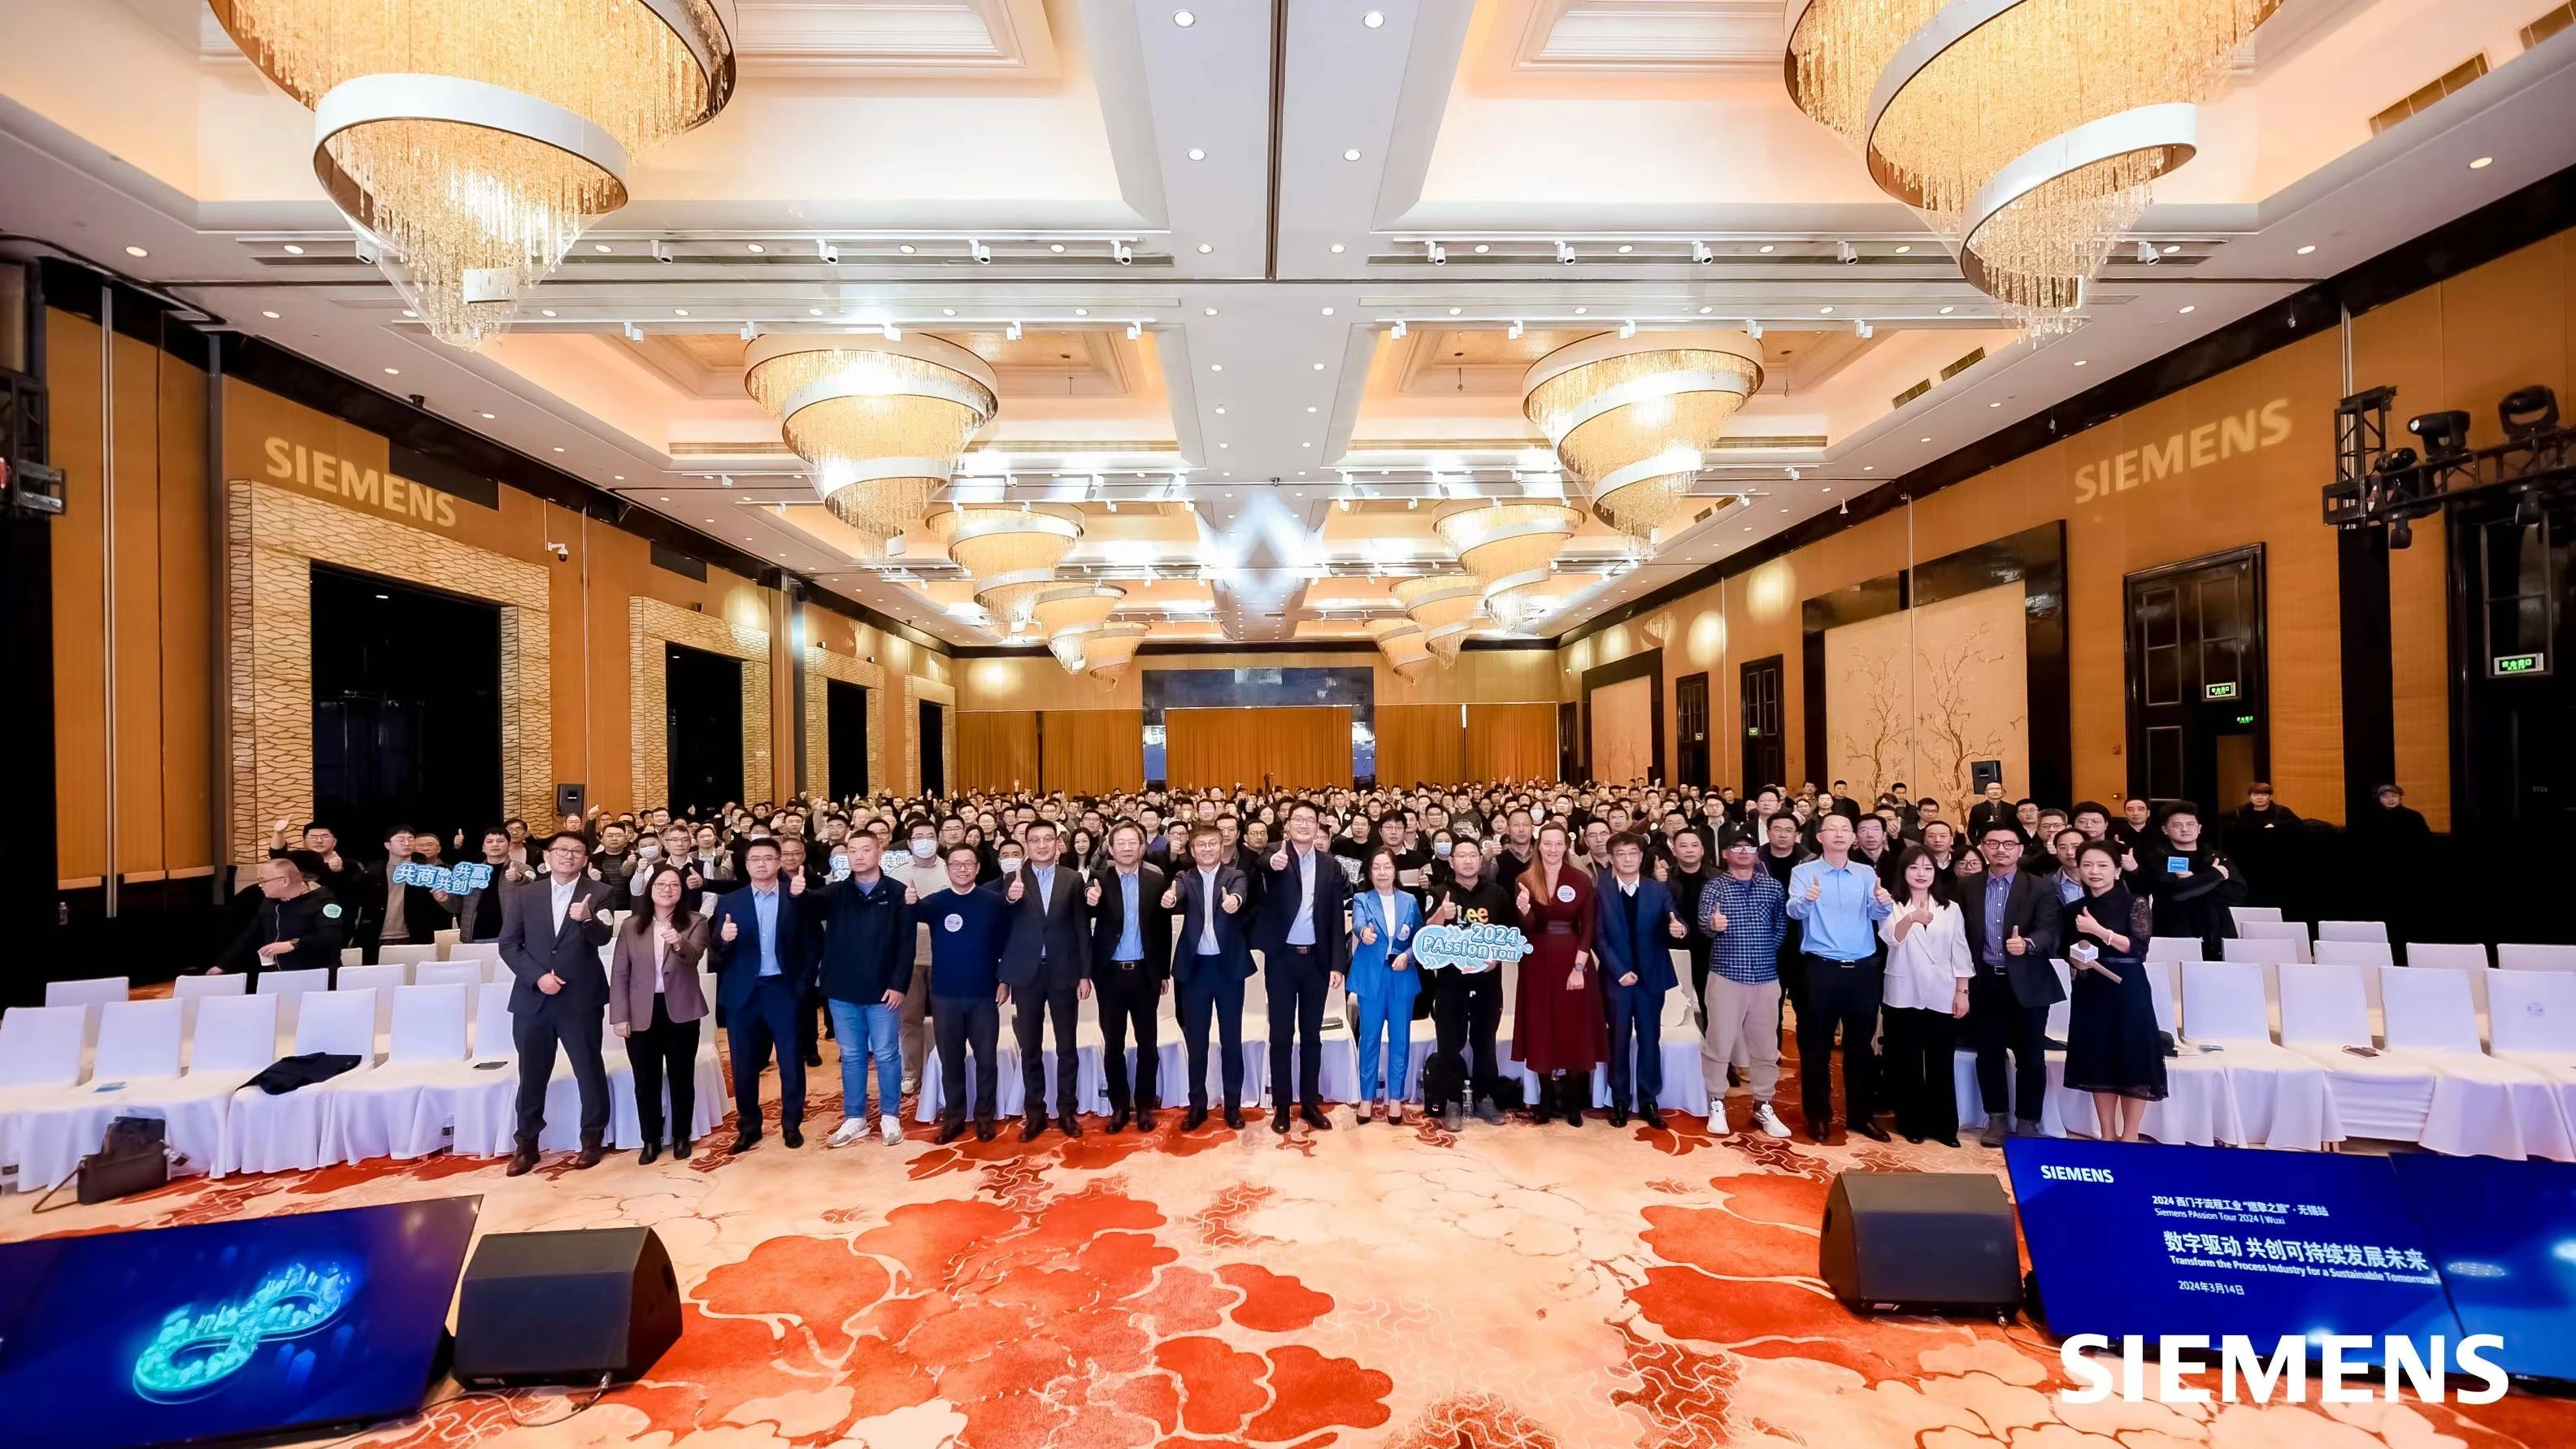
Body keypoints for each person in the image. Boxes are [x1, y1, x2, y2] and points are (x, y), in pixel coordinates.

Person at [497, 832, 617, 1174]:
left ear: (585, 859)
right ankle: (527, 1145)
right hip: (533, 998)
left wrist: (588, 919)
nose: (568, 855)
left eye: (577, 851)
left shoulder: (600, 893)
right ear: (548, 857)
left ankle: (591, 1139)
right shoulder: (525, 895)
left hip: (580, 998)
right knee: (531, 1073)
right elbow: (508, 944)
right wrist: (537, 977)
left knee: (588, 1069)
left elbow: (603, 937)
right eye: (562, 850)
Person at [1783, 813, 1894, 1143]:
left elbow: (1875, 914)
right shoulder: (1804, 872)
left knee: (1861, 1048)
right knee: (1815, 1046)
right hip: (1821, 969)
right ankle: (1818, 1116)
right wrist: (1807, 900)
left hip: (1862, 969)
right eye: (1832, 829)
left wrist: (1884, 904)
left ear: (1853, 837)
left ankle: (1861, 1116)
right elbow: (1793, 911)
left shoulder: (1865, 873)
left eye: (1846, 829)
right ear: (1820, 837)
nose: (1840, 834)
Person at [709, 839, 821, 1152]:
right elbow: (716, 949)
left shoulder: (795, 897)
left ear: (779, 862)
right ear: (746, 865)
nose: (761, 864)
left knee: (791, 1062)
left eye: (768, 858)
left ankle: (791, 1124)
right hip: (743, 994)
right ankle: (749, 1127)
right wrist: (724, 939)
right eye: (755, 859)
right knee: (744, 1065)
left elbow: (814, 944)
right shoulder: (730, 901)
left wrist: (802, 986)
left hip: (783, 990)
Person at [1956, 822, 2065, 1147]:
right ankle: (1997, 1118)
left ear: (2020, 849)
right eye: (1993, 843)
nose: (2000, 850)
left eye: (2008, 844)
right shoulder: (1967, 886)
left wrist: (2028, 943)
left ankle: (2029, 1121)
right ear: (1983, 848)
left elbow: (2051, 930)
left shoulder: (2040, 886)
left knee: (2031, 1056)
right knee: (1988, 1053)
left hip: (2028, 982)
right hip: (1986, 981)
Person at [2062, 841, 2165, 1142]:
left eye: (2102, 865)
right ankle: (2107, 1133)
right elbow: (2069, 948)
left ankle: (2130, 1135)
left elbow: (2139, 947)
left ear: (2117, 871)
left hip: (2128, 984)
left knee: (2133, 1055)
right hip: (2090, 987)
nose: (2094, 871)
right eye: (2087, 865)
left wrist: (2098, 931)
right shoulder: (2073, 909)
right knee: (2099, 1056)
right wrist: (2076, 961)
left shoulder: (2135, 902)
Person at [608, 863, 710, 1163]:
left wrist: (679, 942)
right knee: (645, 1080)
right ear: (650, 889)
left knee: (682, 1077)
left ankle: (681, 1136)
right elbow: (620, 973)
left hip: (681, 1011)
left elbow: (694, 957)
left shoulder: (696, 921)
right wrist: (619, 1015)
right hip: (641, 1011)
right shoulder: (631, 925)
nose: (668, 889)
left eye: (674, 885)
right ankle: (650, 1139)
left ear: (682, 892)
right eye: (661, 884)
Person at [997, 819, 1092, 1140]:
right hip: (1027, 974)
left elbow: (1081, 928)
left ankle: (1067, 1110)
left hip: (1064, 971)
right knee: (1031, 1047)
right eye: (1034, 839)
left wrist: (1085, 974)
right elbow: (1002, 927)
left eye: (1047, 839)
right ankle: (1035, 1112)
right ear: (1026, 844)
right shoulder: (1012, 879)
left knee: (1067, 1045)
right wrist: (1010, 900)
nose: (1041, 845)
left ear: (1057, 844)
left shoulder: (1072, 879)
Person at [815, 831, 910, 1149]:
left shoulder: (897, 892)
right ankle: (855, 1117)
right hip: (843, 990)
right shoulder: (837, 892)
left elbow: (905, 944)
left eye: (865, 849)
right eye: (852, 850)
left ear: (879, 852)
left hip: (884, 992)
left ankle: (890, 1115)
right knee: (852, 1055)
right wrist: (797, 892)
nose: (858, 856)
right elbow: (805, 907)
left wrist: (898, 984)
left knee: (886, 1054)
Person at [1258, 802, 1349, 1133]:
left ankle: (1310, 1102)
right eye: (1298, 819)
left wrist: (1337, 963)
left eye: (1310, 820)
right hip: (1282, 960)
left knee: (1312, 1036)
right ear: (1287, 824)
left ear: (1319, 827)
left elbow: (1336, 917)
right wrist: (1271, 862)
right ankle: (1282, 1106)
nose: (1304, 825)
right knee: (1281, 1035)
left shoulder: (1330, 865)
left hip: (1316, 961)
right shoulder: (1275, 855)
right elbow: (1260, 864)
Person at [913, 842, 1010, 1142]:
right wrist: (908, 902)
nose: (963, 869)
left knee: (986, 1060)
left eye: (969, 864)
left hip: (984, 994)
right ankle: (954, 1118)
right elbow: (908, 914)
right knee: (951, 1060)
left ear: (977, 868)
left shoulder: (993, 902)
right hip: (945, 995)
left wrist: (1005, 980)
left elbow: (1007, 943)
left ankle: (985, 1117)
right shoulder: (936, 902)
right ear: (947, 868)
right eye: (956, 864)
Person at [1877, 848, 1971, 1147]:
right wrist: (1911, 918)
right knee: (1907, 1060)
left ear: (1935, 873)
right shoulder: (1891, 904)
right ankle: (1912, 1123)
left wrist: (1962, 991)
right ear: (1903, 872)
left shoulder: (1951, 908)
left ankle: (1944, 1127)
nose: (1921, 874)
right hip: (1904, 990)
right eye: (1914, 868)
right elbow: (1891, 938)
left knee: (1941, 1059)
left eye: (1927, 868)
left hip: (1942, 990)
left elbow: (1960, 950)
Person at [1698, 833, 1791, 1139]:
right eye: (1736, 847)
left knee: (1766, 1045)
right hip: (1726, 974)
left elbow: (1781, 926)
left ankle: (1763, 1104)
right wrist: (1713, 925)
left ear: (1756, 853)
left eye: (1749, 848)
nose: (1743, 852)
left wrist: (1763, 950)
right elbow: (1704, 923)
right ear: (1726, 853)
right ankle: (1716, 1101)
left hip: (1765, 976)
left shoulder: (1772, 887)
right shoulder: (1715, 887)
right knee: (1719, 1042)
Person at [1422, 835, 1517, 1130]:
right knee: (1450, 1044)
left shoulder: (1497, 894)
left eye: (1472, 855)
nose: (1467, 861)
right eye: (1461, 856)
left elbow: (1511, 936)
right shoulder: (1439, 892)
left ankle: (1486, 1098)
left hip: (1488, 984)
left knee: (1485, 1042)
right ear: (1451, 862)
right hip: (1451, 985)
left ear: (1480, 860)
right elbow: (1425, 937)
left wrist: (1497, 958)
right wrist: (1442, 914)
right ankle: (1451, 1101)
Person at [1513, 822, 1603, 1126]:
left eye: (1558, 843)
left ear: (1566, 846)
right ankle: (1545, 1102)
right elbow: (1529, 927)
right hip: (1537, 961)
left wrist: (1579, 967)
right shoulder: (1525, 879)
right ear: (1539, 846)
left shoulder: (1581, 878)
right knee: (1541, 1027)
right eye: (1547, 843)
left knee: (1572, 1028)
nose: (1552, 849)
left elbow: (1588, 927)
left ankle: (1574, 1103)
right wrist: (1525, 910)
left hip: (1571, 958)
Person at [1593, 831, 1684, 1130]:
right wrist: (1619, 971)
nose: (1628, 859)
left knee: (1649, 1038)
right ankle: (1619, 1099)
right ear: (1612, 859)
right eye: (1621, 854)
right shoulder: (1601, 891)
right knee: (1617, 1039)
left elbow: (1675, 919)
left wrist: (1679, 929)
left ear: (1641, 857)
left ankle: (1648, 1099)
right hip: (1617, 979)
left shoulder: (1657, 889)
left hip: (1650, 978)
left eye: (1633, 853)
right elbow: (1599, 937)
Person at [1164, 825, 1253, 1130]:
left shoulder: (1235, 875)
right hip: (1196, 970)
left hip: (1228, 969)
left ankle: (1233, 1106)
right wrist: (1170, 898)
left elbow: (1240, 894)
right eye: (1200, 845)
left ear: (1221, 845)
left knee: (1231, 1039)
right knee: (1197, 1040)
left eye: (1212, 843)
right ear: (1192, 850)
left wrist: (1234, 901)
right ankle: (1197, 1106)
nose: (1207, 849)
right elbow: (1175, 893)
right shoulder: (1184, 877)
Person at [1085, 822, 1171, 1132]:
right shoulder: (1098, 879)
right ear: (1110, 848)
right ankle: (1120, 1107)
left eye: (1131, 842)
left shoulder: (1156, 879)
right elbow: (1085, 913)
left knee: (1148, 1043)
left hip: (1145, 973)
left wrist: (1163, 971)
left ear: (1142, 847)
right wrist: (1089, 900)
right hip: (1110, 975)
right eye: (1119, 842)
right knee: (1113, 1045)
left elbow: (1162, 929)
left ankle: (1145, 1106)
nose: (1125, 847)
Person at [1347, 845, 1424, 1126]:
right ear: (1369, 872)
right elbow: (1359, 924)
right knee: (1369, 1039)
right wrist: (1363, 932)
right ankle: (1367, 1097)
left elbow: (1420, 937)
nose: (1382, 872)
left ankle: (1395, 1099)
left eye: (1387, 867)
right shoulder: (1362, 899)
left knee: (1400, 1040)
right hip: (1372, 977)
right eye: (1376, 867)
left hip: (1401, 975)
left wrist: (1409, 956)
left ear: (1395, 871)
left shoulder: (1410, 901)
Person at [211, 851, 346, 983]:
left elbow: (331, 937)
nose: (260, 885)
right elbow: (250, 935)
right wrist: (223, 965)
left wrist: (292, 944)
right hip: (281, 975)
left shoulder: (322, 903)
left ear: (285, 881)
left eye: (264, 880)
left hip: (318, 976)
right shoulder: (270, 903)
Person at [2143, 801, 2243, 957]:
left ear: (2199, 828)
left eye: (2190, 824)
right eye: (2177, 825)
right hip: (2173, 928)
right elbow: (2175, 893)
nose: (2185, 829)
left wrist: (2195, 882)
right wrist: (2215, 876)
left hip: (2215, 929)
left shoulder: (2215, 857)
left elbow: (2238, 894)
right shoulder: (2157, 858)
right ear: (2165, 830)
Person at [2222, 783, 2301, 909]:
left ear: (2269, 796)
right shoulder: (2240, 812)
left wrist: (2276, 826)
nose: (2259, 798)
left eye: (2263, 795)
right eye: (2255, 795)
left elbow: (2297, 826)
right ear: (2250, 796)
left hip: (2275, 860)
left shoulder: (2281, 811)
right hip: (2247, 860)